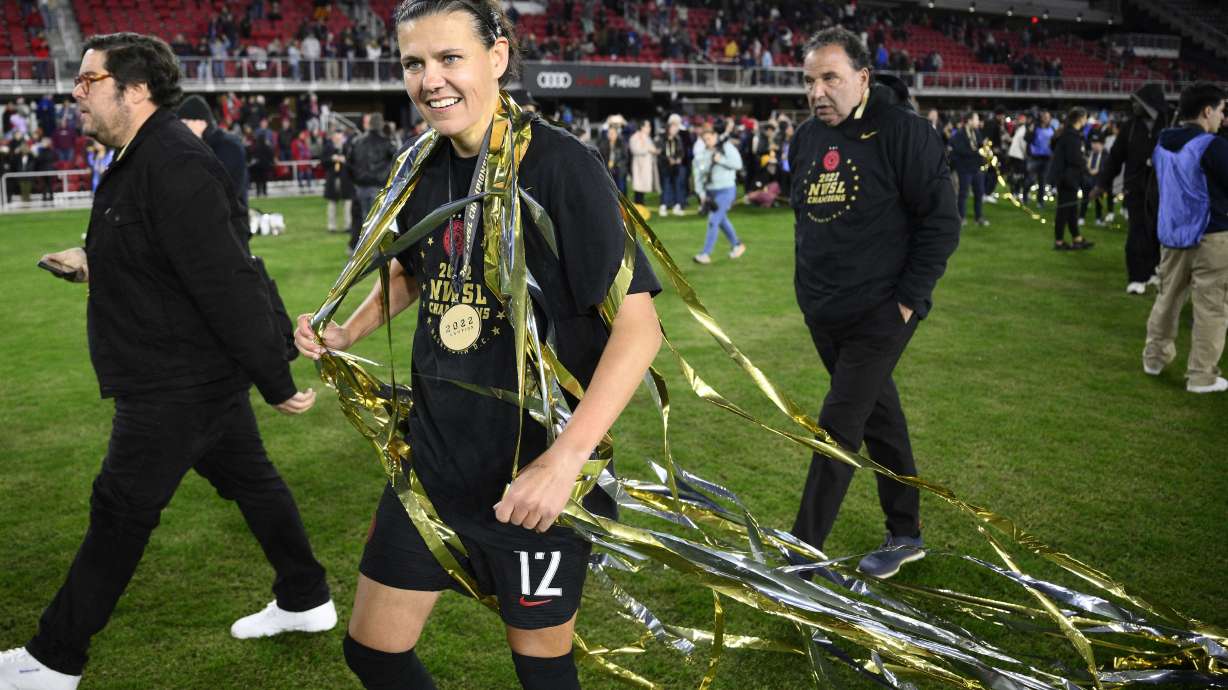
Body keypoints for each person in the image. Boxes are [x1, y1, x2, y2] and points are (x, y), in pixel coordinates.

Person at [293, 2, 662, 689]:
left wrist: (564, 463)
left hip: (530, 475)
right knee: (373, 651)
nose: (430, 80)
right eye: (414, 63)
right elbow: (413, 269)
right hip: (432, 463)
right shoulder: (421, 165)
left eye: (449, 58)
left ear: (497, 56)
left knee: (542, 672)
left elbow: (640, 330)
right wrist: (348, 332)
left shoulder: (561, 166)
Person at [0, 33, 336, 690]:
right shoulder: (142, 156)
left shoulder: (176, 162)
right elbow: (165, 258)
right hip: (189, 373)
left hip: (174, 380)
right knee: (254, 484)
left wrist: (274, 377)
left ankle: (52, 660)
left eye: (89, 80)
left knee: (120, 510)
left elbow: (227, 278)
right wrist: (93, 261)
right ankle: (306, 597)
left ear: (136, 89)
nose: (76, 93)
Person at [787, 27, 959, 579]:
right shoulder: (806, 138)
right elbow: (806, 221)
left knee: (838, 425)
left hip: (881, 313)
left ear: (863, 78)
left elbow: (941, 223)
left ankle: (798, 557)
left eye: (830, 78)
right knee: (879, 418)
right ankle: (906, 532)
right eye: (810, 80)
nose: (818, 92)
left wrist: (906, 304)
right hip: (823, 312)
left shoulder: (906, 133)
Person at [1142, 82, 1228, 394]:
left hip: (1171, 235)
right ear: (1207, 111)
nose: (1222, 117)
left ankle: (1153, 359)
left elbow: (1155, 190)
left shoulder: (1162, 141)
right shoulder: (1212, 146)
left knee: (1167, 299)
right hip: (1212, 237)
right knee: (1211, 308)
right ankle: (1201, 376)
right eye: (1220, 110)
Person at [1092, 84, 1171, 295]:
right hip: (1135, 190)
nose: (1134, 105)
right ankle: (1136, 277)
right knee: (1137, 233)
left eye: (1138, 102)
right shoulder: (1130, 127)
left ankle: (1154, 271)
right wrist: (1102, 184)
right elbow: (1115, 158)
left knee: (1157, 233)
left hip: (1162, 190)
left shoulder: (1170, 124)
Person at [176, 93, 249, 208]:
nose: (180, 129)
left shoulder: (228, 146)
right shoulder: (200, 146)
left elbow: (223, 191)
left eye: (185, 123)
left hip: (229, 222)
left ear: (201, 123)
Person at [691, 123, 745, 264]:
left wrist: (721, 160)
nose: (707, 142)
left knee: (713, 220)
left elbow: (738, 164)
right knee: (721, 220)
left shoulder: (726, 147)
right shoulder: (701, 155)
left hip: (726, 190)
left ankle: (705, 254)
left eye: (709, 138)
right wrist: (701, 195)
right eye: (705, 139)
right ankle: (737, 245)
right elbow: (698, 177)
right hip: (710, 193)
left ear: (715, 135)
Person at [346, 111, 397, 254]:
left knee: (364, 219)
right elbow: (397, 160)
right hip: (379, 185)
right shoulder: (386, 142)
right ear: (381, 124)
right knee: (379, 220)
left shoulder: (357, 142)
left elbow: (349, 164)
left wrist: (356, 180)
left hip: (361, 186)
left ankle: (364, 251)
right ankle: (375, 252)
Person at [1048, 107, 1093, 250]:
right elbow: (1075, 159)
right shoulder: (1071, 136)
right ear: (1080, 118)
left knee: (1072, 209)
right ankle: (1059, 241)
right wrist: (1086, 169)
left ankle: (1076, 238)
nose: (1086, 120)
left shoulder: (1067, 134)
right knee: (1064, 210)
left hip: (1067, 178)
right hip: (1068, 178)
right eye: (1085, 117)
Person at [949, 111, 988, 227]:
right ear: (969, 120)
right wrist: (975, 152)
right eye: (976, 119)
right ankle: (961, 218)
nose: (978, 121)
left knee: (979, 193)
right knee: (963, 194)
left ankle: (978, 217)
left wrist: (983, 145)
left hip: (976, 168)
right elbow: (957, 149)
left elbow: (979, 145)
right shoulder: (960, 134)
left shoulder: (976, 131)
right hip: (965, 168)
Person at [323, 128, 353, 233]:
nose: (338, 139)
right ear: (333, 138)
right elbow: (323, 162)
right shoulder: (328, 148)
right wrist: (332, 158)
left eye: (340, 138)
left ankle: (348, 225)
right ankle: (332, 226)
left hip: (345, 179)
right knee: (332, 203)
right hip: (333, 179)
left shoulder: (347, 148)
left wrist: (344, 160)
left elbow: (352, 162)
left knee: (348, 203)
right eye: (336, 137)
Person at [657, 113, 688, 216]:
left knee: (677, 185)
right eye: (673, 128)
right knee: (666, 185)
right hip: (665, 166)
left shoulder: (678, 139)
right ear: (669, 128)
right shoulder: (662, 138)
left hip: (676, 167)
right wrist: (668, 159)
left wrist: (678, 159)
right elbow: (660, 153)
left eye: (676, 128)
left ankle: (677, 205)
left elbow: (681, 152)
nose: (675, 130)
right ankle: (663, 206)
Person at [1024, 110, 1055, 207]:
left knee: (1043, 181)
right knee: (1031, 179)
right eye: (1044, 117)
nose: (1046, 119)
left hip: (1047, 158)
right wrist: (1030, 130)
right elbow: (1027, 139)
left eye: (1047, 117)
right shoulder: (1035, 128)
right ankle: (1025, 195)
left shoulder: (1052, 129)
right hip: (1035, 157)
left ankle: (1040, 201)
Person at [628, 118, 659, 207]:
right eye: (647, 126)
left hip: (647, 166)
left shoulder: (647, 137)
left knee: (642, 188)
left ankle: (641, 206)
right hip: (639, 166)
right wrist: (648, 149)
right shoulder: (635, 137)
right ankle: (639, 207)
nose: (649, 128)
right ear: (642, 127)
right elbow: (635, 150)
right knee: (638, 188)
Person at [597, 121, 629, 194]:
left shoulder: (622, 143)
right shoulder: (604, 144)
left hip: (619, 170)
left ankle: (622, 204)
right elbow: (600, 155)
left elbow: (625, 157)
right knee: (610, 191)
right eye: (609, 133)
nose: (611, 135)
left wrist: (617, 165)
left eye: (612, 133)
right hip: (608, 170)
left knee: (621, 190)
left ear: (617, 134)